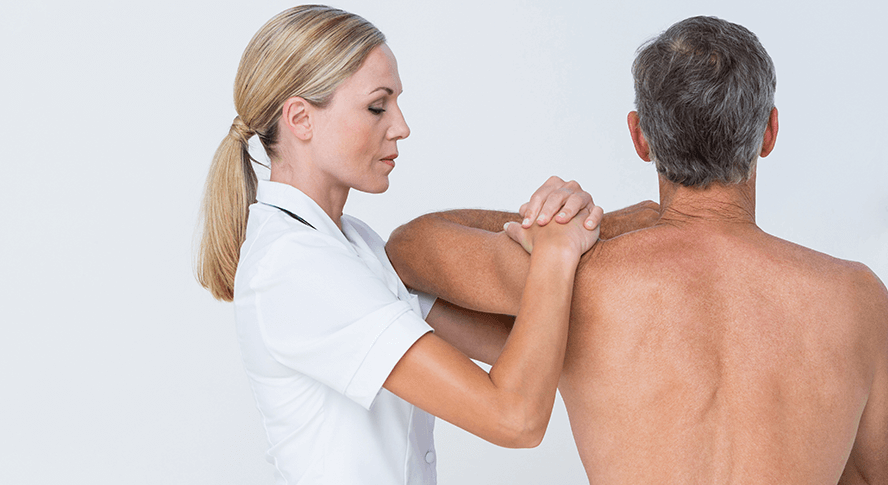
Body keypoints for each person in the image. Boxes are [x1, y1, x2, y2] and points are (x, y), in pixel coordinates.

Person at [387, 16, 888, 485]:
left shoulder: (577, 279)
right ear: (769, 131)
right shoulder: (858, 299)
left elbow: (410, 248)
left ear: (640, 137)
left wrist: (603, 225)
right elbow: (870, 481)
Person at [195, 5, 602, 484]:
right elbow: (514, 417)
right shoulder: (295, 267)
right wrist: (555, 252)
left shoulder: (354, 242)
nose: (401, 126)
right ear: (300, 118)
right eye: (377, 106)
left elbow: (527, 353)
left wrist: (553, 220)